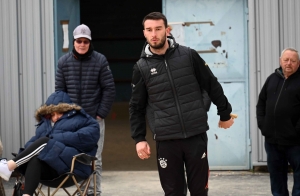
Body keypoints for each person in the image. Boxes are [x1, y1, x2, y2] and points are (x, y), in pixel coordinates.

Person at [129, 12, 234, 196]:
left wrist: (224, 113)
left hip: (195, 135)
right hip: (166, 139)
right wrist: (139, 139)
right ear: (144, 33)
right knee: (173, 192)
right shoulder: (141, 67)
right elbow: (136, 106)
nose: (154, 34)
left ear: (167, 30)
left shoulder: (189, 55)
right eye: (149, 30)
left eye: (158, 29)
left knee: (199, 191)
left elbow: (211, 84)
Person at [0, 91, 100, 196]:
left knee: (44, 142)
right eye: (52, 114)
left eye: (59, 113)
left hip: (73, 167)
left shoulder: (85, 121)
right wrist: (37, 148)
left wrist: (51, 139)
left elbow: (85, 138)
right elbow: (31, 143)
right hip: (50, 169)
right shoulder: (45, 124)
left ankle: (8, 166)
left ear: (68, 110)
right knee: (35, 158)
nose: (55, 117)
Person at [55, 24, 115, 196]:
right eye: (79, 41)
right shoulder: (63, 63)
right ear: (74, 42)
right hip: (71, 121)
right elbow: (60, 91)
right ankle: (81, 191)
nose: (82, 44)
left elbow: (109, 88)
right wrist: (64, 115)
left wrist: (100, 113)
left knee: (95, 159)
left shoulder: (100, 60)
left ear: (90, 42)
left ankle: (93, 192)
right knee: (75, 157)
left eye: (85, 41)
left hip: (93, 120)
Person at [256, 47, 300, 196]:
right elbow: (261, 103)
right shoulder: (272, 79)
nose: (289, 63)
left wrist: (296, 131)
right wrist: (263, 125)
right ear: (280, 61)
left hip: (296, 143)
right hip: (273, 142)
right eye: (286, 60)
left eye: (293, 61)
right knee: (277, 180)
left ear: (298, 63)